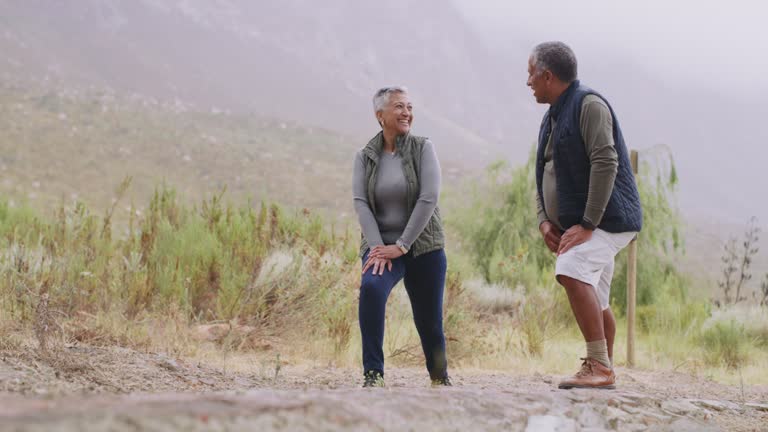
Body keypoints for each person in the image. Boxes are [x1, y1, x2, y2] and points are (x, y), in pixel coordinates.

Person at [526, 42, 643, 389]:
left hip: (609, 221)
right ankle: (604, 370)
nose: (527, 81)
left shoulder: (589, 106)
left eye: (530, 73)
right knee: (598, 296)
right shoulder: (552, 115)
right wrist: (544, 219)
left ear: (548, 76)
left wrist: (588, 223)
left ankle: (598, 366)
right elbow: (542, 173)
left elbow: (606, 162)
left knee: (571, 269)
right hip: (586, 224)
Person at [352, 86, 451, 388]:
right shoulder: (365, 156)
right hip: (382, 247)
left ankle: (439, 377)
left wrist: (403, 245)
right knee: (371, 288)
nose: (407, 112)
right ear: (380, 115)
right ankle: (373, 373)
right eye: (399, 107)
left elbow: (429, 197)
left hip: (422, 248)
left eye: (409, 106)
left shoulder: (423, 148)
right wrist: (377, 248)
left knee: (428, 320)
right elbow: (361, 202)